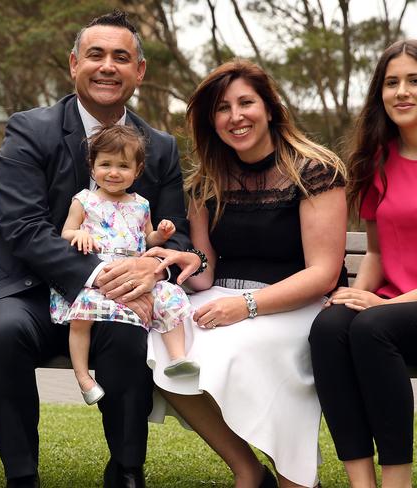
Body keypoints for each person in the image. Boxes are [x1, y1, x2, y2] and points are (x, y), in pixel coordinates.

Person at [0, 10, 191, 488]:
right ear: (73, 64)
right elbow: (23, 226)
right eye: (95, 55)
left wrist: (154, 270)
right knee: (4, 335)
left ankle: (128, 469)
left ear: (139, 71)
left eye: (121, 57)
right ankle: (21, 475)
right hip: (23, 285)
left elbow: (178, 237)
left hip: (118, 294)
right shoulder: (31, 129)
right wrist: (96, 274)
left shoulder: (162, 147)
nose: (108, 66)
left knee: (129, 330)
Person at [145, 59, 347, 488]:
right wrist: (188, 262)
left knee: (233, 350)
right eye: (222, 108)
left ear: (270, 108)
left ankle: (293, 473)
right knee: (158, 344)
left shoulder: (314, 170)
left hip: (300, 302)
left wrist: (247, 305)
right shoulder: (205, 182)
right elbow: (205, 270)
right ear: (211, 121)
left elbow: (325, 273)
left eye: (246, 103)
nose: (235, 117)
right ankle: (247, 469)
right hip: (220, 294)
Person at [308, 39, 417, 488]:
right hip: (397, 316)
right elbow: (378, 254)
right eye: (391, 82)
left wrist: (388, 306)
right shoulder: (377, 161)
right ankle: (362, 482)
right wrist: (352, 297)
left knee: (371, 325)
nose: (401, 91)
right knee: (328, 328)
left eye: (414, 80)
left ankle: (396, 483)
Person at [50, 125, 198, 405]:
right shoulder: (85, 201)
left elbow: (147, 237)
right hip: (99, 274)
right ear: (92, 168)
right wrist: (78, 233)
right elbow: (66, 233)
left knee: (169, 298)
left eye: (123, 166)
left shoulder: (141, 205)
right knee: (81, 318)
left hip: (133, 274)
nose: (114, 172)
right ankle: (83, 377)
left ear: (137, 171)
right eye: (105, 164)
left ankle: (178, 357)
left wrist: (162, 235)